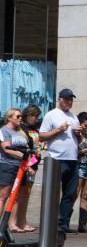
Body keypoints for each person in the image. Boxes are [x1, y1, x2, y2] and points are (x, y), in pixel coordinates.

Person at [39, 88, 80, 235]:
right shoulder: (51, 115)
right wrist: (57, 130)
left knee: (70, 194)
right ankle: (51, 222)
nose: (69, 102)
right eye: (67, 99)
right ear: (60, 99)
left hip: (72, 159)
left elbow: (77, 138)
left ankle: (63, 223)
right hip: (56, 159)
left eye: (71, 99)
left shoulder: (74, 116)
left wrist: (78, 133)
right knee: (54, 193)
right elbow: (41, 136)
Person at [12, 106, 41, 234]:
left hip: (33, 165)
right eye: (34, 116)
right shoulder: (21, 129)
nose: (36, 119)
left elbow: (37, 149)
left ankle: (22, 222)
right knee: (17, 195)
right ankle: (12, 222)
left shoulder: (35, 129)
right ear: (28, 115)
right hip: (23, 165)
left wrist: (35, 159)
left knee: (26, 195)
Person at [0, 109, 28, 220]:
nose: (20, 118)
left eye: (21, 116)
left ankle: (9, 224)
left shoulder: (20, 132)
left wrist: (28, 164)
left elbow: (27, 150)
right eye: (18, 116)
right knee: (2, 197)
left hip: (21, 168)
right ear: (9, 118)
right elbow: (7, 149)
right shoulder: (4, 131)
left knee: (16, 197)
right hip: (7, 166)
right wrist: (23, 156)